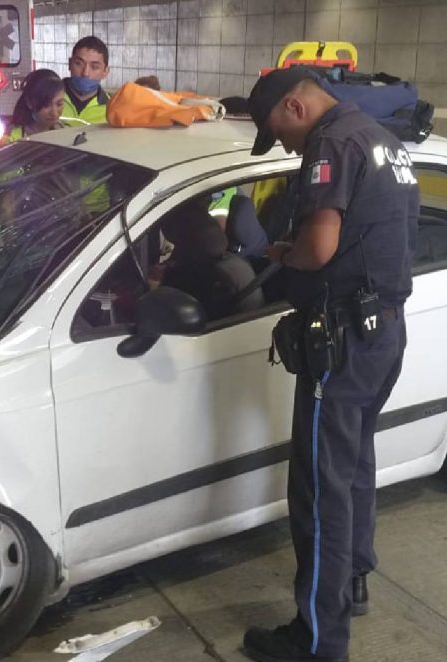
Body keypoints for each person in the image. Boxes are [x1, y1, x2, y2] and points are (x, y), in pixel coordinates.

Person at [242, 67, 419, 662]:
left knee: (320, 488)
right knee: (353, 466)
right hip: (382, 330)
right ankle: (353, 580)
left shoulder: (331, 145)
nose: (288, 148)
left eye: (280, 135)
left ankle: (319, 641)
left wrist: (281, 251)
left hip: (340, 338)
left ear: (295, 107)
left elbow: (318, 248)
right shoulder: (379, 136)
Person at [0, 69, 65, 146]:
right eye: (46, 105)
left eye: (59, 104)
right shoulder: (12, 139)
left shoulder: (65, 133)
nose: (54, 113)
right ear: (30, 103)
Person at [61, 36, 110, 127]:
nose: (85, 73)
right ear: (69, 64)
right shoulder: (47, 99)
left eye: (94, 67)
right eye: (79, 64)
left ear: (105, 72)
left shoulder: (112, 109)